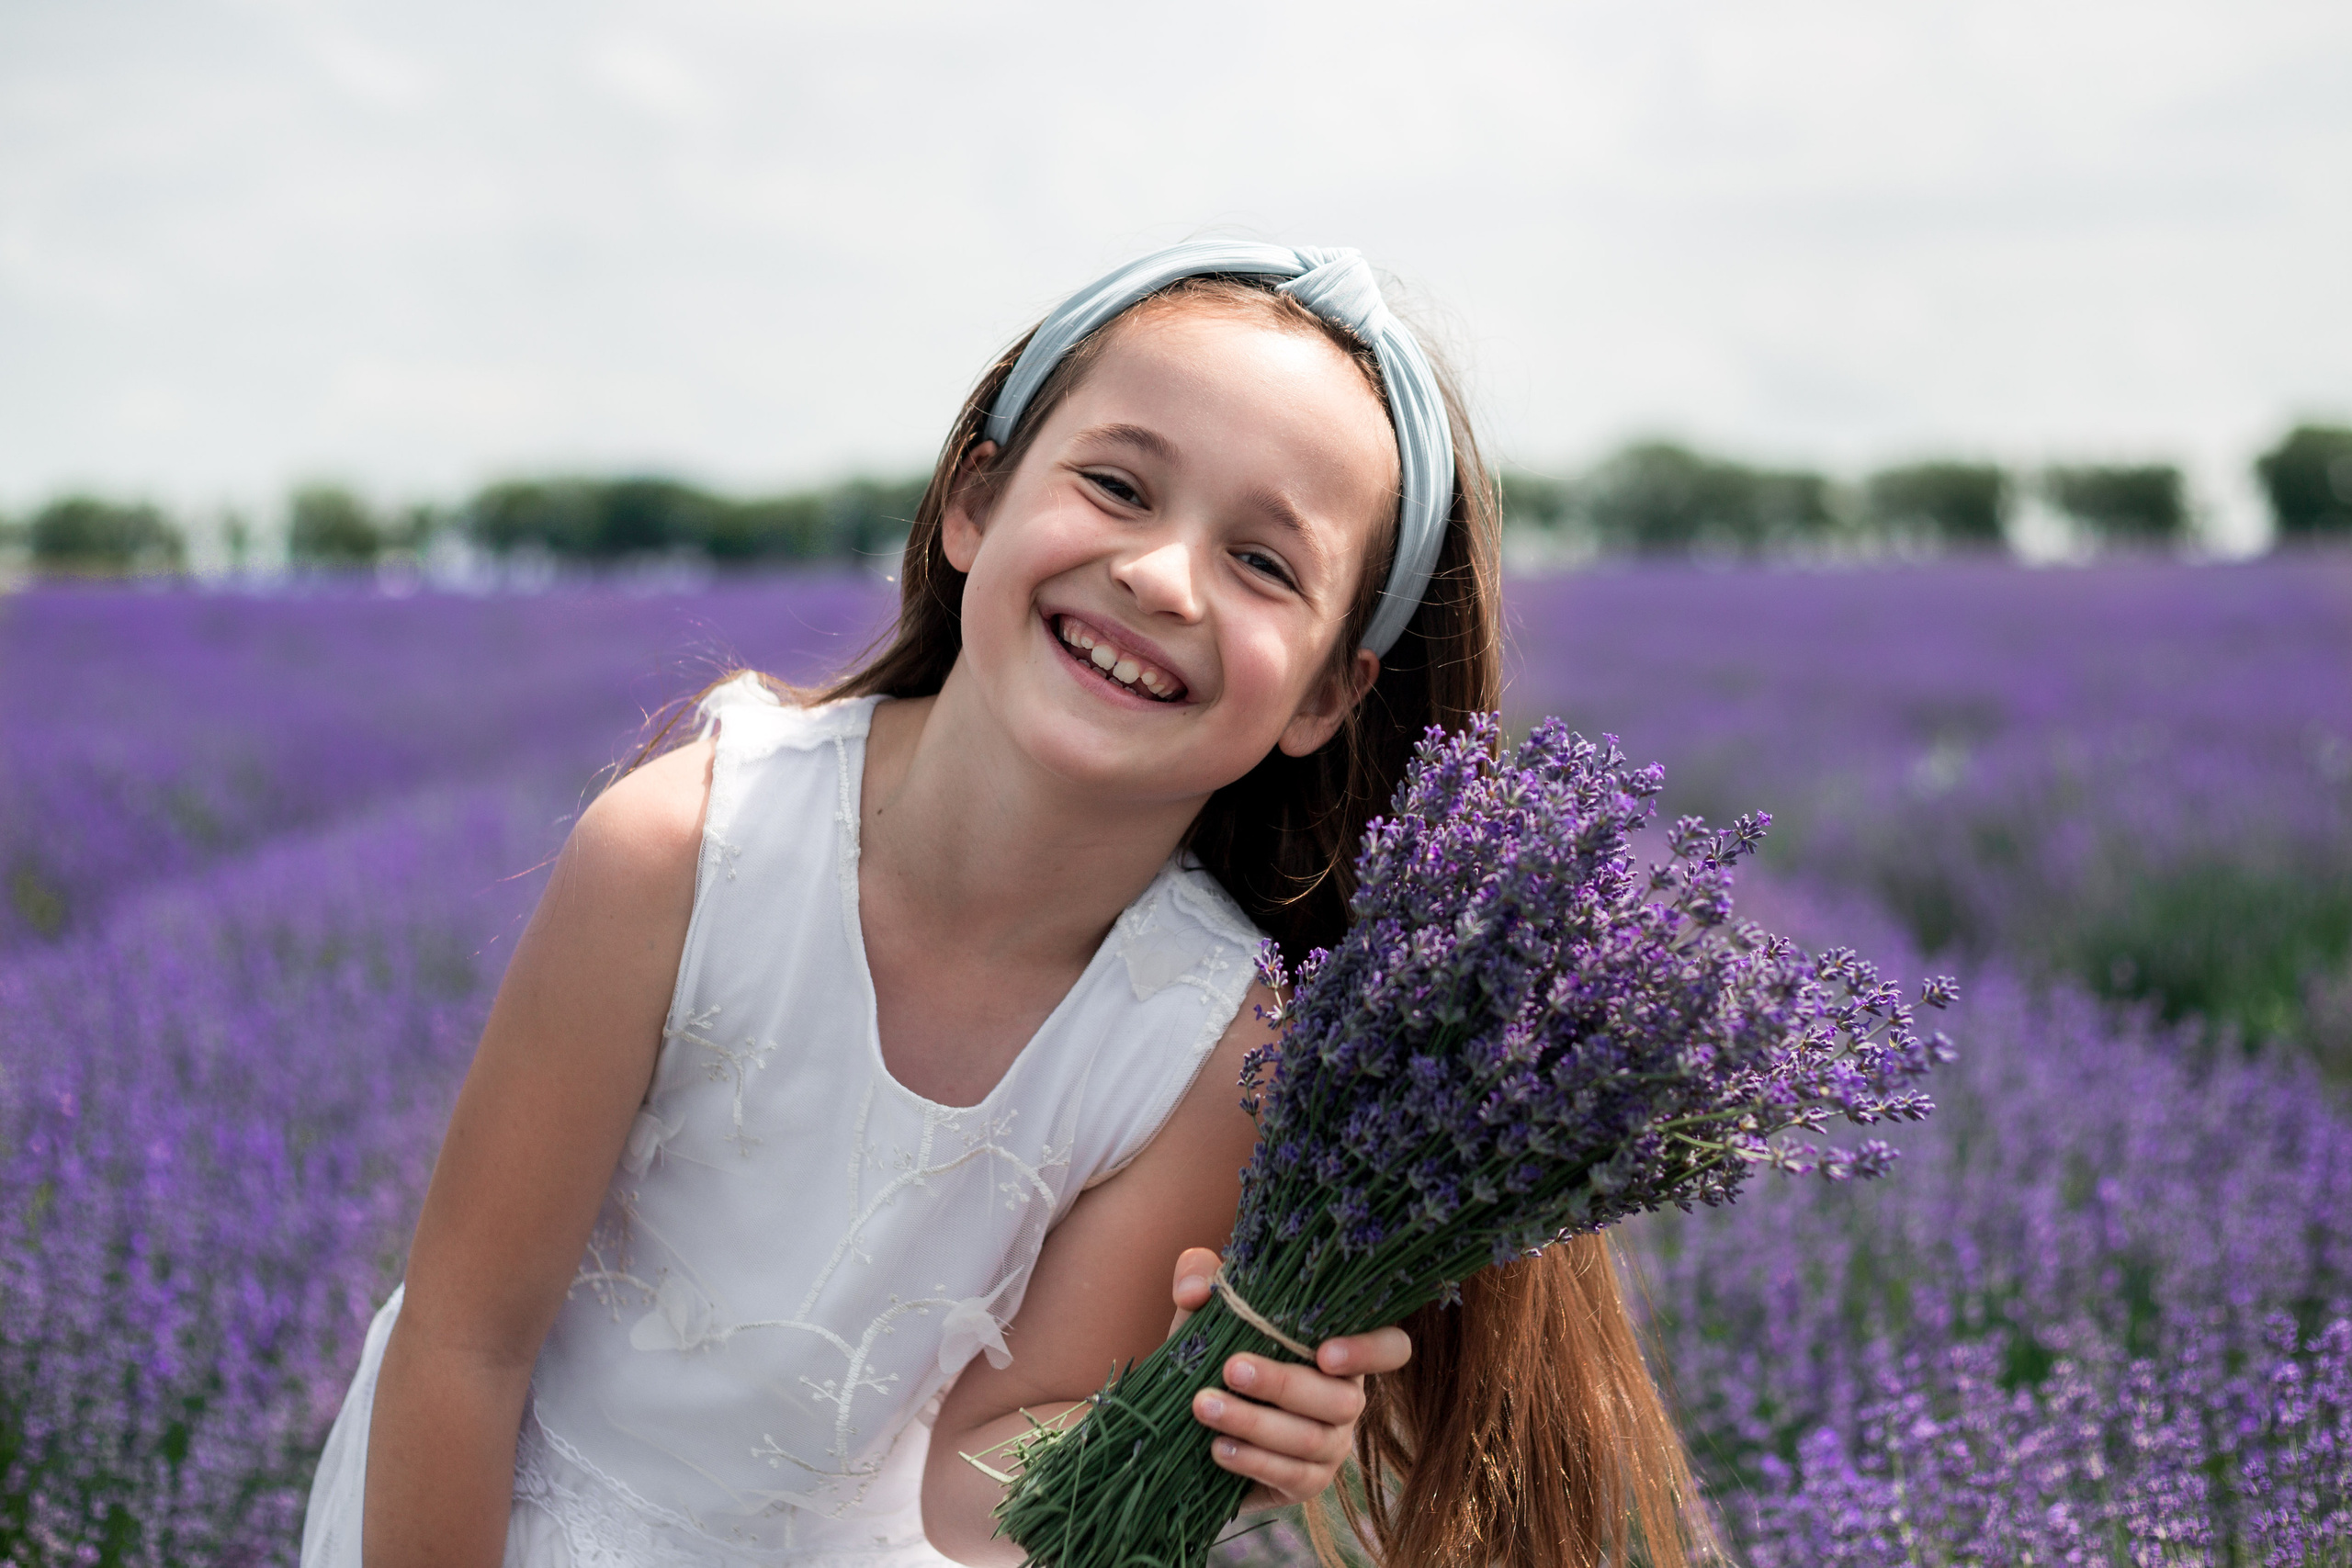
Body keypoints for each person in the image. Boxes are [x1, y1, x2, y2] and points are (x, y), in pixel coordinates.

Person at [300, 243, 1708, 1568]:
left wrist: (1196, 1412)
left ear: (1330, 693)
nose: (1161, 576)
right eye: (1118, 486)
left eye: (1264, 564)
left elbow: (975, 1499)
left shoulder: (1216, 1047)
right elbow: (462, 1350)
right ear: (974, 502)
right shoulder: (684, 852)